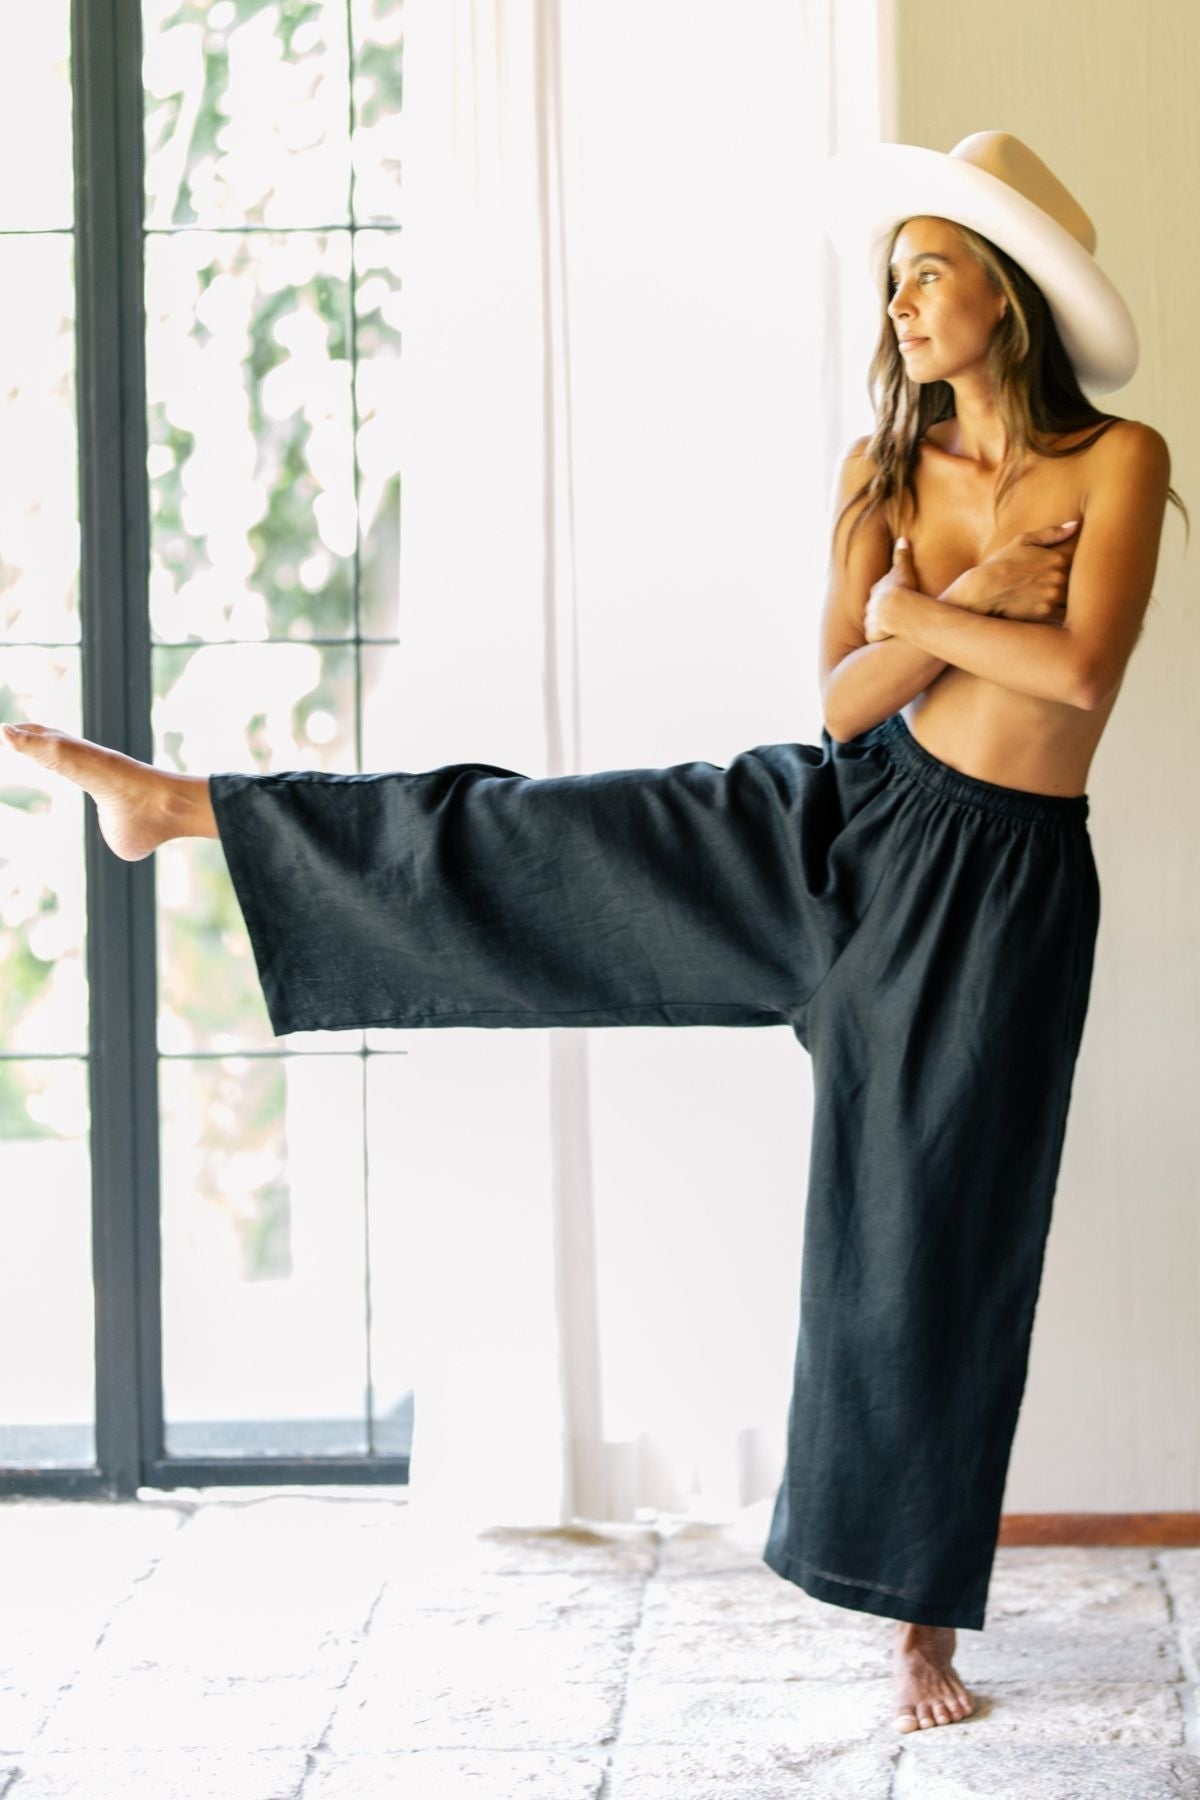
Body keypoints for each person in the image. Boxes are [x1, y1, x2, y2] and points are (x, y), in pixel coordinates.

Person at [1, 130, 1183, 1734]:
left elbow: (1079, 683)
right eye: (893, 273)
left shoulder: (1117, 462)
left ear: (1009, 294)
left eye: (929, 270)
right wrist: (943, 602)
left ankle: (914, 1624)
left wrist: (917, 613)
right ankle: (185, 806)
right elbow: (840, 706)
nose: (900, 302)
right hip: (847, 825)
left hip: (999, 896)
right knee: (540, 842)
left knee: (931, 1245)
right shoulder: (878, 475)